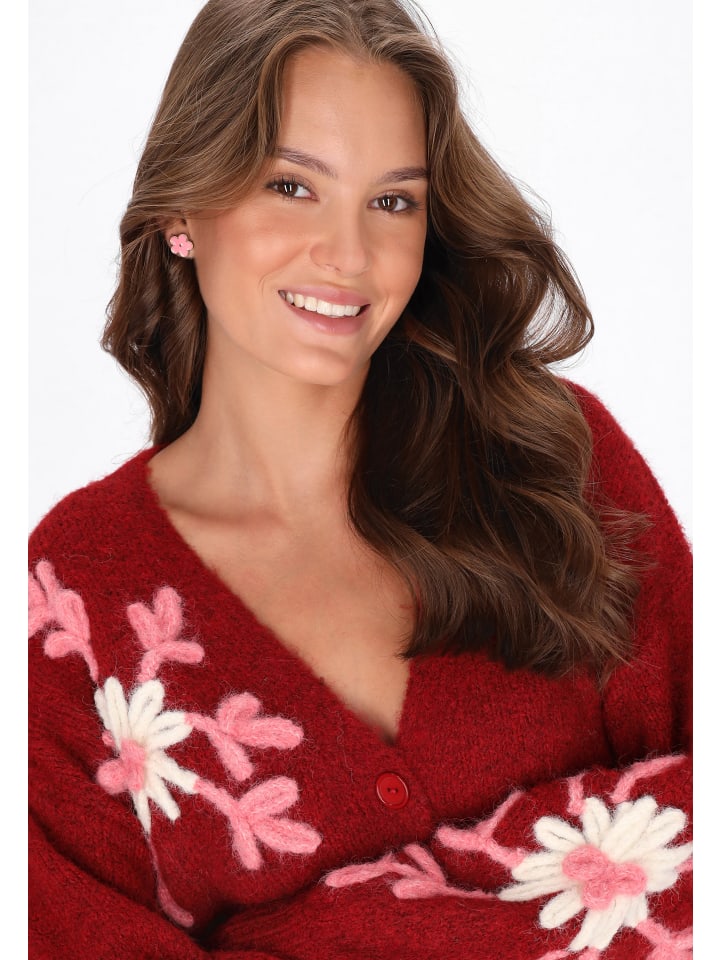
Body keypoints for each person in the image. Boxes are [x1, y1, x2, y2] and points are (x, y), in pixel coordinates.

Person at [28, 0, 692, 957]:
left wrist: (311, 934)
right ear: (182, 207)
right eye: (291, 186)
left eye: (393, 202)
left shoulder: (556, 466)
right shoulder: (73, 598)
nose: (348, 256)